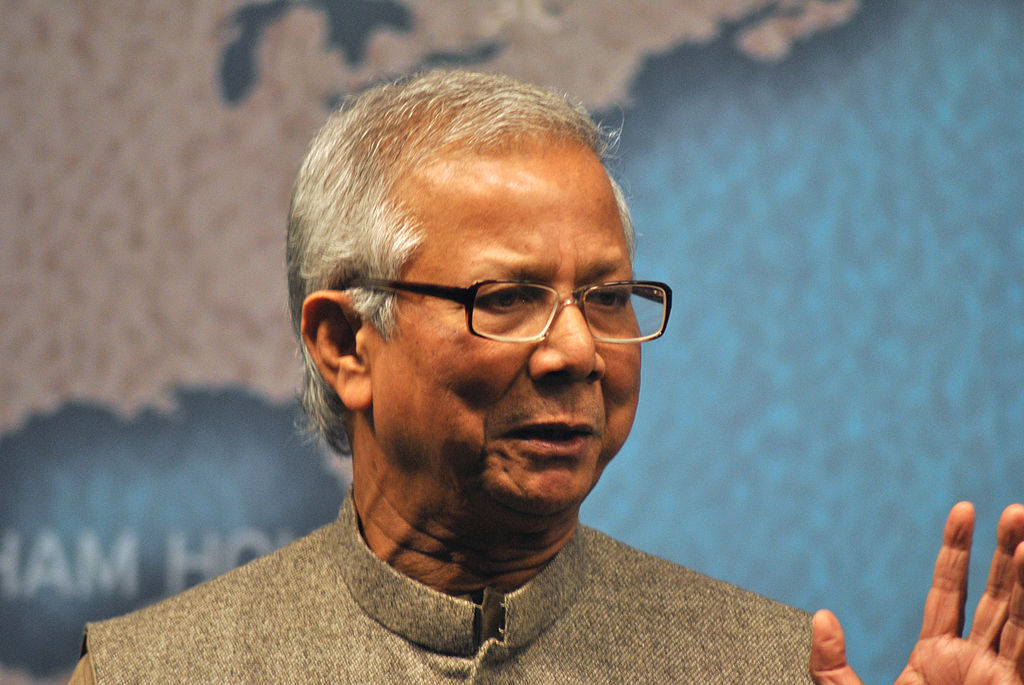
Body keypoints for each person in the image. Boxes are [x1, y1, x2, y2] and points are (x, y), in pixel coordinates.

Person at [70, 69, 1024, 683]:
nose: (577, 352)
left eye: (608, 296)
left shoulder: (764, 665)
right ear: (345, 343)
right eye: (510, 296)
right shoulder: (153, 672)